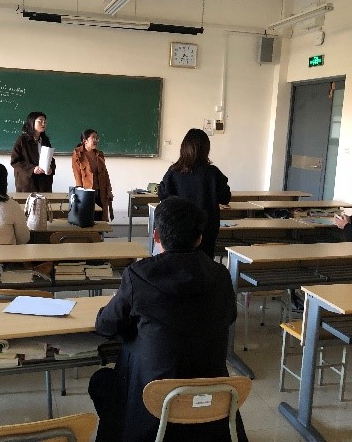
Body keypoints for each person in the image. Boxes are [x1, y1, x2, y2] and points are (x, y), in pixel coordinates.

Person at [88, 196, 247, 442]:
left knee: (102, 381)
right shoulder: (221, 275)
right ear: (199, 238)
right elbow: (229, 316)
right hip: (210, 406)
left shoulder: (138, 276)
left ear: (156, 236)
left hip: (153, 410)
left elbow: (106, 325)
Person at [158, 128, 231, 259]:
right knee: (203, 264)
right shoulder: (213, 173)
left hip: (177, 229)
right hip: (206, 230)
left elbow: (163, 197)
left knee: (177, 262)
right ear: (206, 150)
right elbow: (225, 198)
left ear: (183, 148)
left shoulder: (173, 172)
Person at [71, 129, 114, 221]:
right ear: (85, 141)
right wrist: (80, 193)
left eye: (97, 138)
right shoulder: (78, 154)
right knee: (88, 218)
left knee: (101, 217)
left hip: (101, 191)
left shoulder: (99, 154)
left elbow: (105, 174)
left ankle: (100, 231)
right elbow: (77, 175)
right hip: (87, 191)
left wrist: (109, 190)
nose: (96, 140)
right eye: (93, 138)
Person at [10, 111, 56, 192]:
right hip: (27, 183)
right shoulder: (22, 140)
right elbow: (15, 161)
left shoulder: (45, 140)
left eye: (45, 121)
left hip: (44, 183)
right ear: (32, 122)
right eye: (40, 121)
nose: (43, 123)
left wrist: (51, 169)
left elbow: (50, 158)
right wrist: (32, 169)